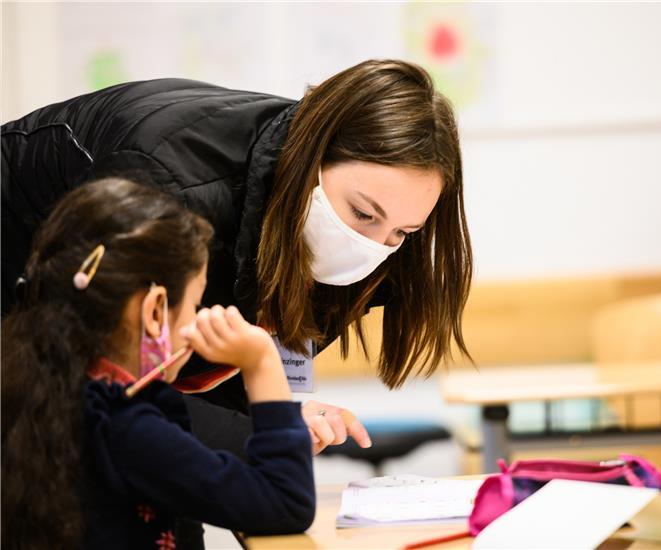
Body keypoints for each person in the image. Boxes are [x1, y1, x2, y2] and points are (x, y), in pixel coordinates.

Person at [1, 59, 472, 458]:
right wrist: (269, 429)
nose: (371, 246)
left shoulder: (363, 239)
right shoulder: (168, 185)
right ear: (312, 158)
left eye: (402, 233)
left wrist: (278, 413)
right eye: (364, 214)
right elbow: (112, 386)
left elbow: (218, 365)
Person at [1, 179, 315, 550]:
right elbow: (285, 503)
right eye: (194, 306)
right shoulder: (126, 428)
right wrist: (261, 361)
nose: (196, 321)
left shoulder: (29, 388)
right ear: (154, 311)